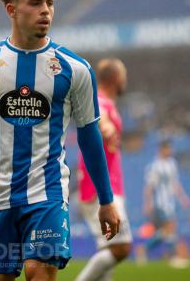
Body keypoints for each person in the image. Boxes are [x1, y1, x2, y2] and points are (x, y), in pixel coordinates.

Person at [0, 0, 120, 280]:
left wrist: (106, 200)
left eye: (49, 3)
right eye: (35, 3)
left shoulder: (75, 69)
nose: (45, 10)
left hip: (47, 195)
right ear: (11, 9)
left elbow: (90, 136)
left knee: (40, 273)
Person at [76, 58, 132, 281]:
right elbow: (100, 120)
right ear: (117, 78)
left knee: (107, 248)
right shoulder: (99, 101)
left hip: (105, 185)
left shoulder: (106, 102)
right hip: (100, 187)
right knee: (121, 247)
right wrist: (105, 127)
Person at [139, 140, 190, 268]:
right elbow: (149, 187)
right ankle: (173, 257)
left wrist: (183, 198)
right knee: (171, 227)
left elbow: (175, 183)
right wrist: (147, 203)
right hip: (160, 202)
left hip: (171, 202)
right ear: (161, 149)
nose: (170, 151)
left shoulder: (172, 164)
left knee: (166, 232)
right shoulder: (154, 166)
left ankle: (144, 248)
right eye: (168, 149)